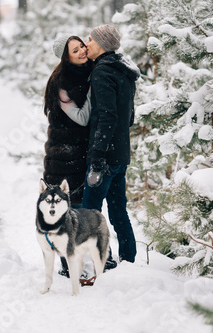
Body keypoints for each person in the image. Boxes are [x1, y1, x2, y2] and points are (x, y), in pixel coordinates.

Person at [81, 24, 140, 265]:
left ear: (103, 44)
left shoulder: (102, 72)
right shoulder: (123, 71)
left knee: (90, 213)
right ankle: (129, 259)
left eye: (91, 40)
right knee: (117, 210)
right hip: (121, 154)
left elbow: (107, 116)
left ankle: (102, 260)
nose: (87, 44)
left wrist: (97, 156)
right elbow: (129, 117)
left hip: (105, 157)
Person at [42, 35, 93, 277]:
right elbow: (80, 117)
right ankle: (68, 266)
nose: (82, 51)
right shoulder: (62, 82)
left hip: (80, 153)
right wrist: (95, 89)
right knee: (69, 209)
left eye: (82, 45)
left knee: (83, 207)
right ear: (66, 57)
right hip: (64, 156)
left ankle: (84, 261)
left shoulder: (89, 69)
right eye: (76, 50)